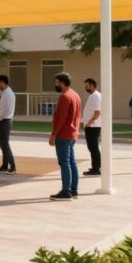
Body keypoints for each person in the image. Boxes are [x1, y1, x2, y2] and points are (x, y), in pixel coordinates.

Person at [49, 72, 82, 201]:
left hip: (63, 135)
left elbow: (61, 118)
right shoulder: (76, 95)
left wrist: (53, 134)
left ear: (62, 83)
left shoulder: (65, 97)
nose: (55, 85)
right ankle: (73, 190)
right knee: (71, 162)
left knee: (64, 163)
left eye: (56, 82)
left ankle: (66, 191)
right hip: (73, 134)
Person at [0, 75, 17, 175]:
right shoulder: (5, 93)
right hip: (3, 120)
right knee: (3, 144)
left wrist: (0, 117)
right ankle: (4, 165)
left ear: (3, 82)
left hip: (5, 120)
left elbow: (8, 109)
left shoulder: (8, 94)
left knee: (5, 144)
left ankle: (13, 166)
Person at [81, 78, 102, 176]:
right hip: (91, 126)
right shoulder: (93, 96)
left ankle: (96, 169)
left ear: (92, 85)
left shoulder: (96, 96)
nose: (85, 87)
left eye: (87, 85)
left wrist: (89, 123)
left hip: (93, 126)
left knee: (93, 147)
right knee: (92, 147)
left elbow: (97, 112)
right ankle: (95, 167)